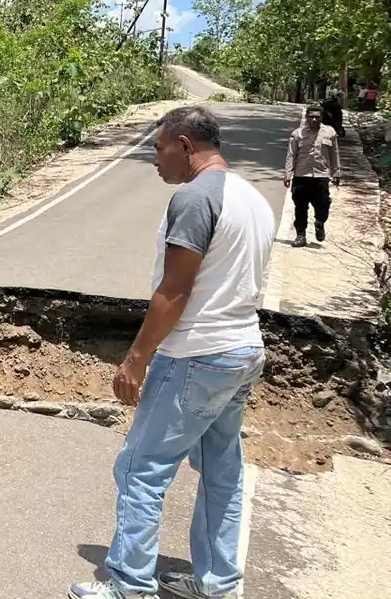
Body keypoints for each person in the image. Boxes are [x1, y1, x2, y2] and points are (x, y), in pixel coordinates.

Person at [69, 106, 275, 599]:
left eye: (158, 148)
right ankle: (218, 585)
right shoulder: (255, 198)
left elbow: (175, 290)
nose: (154, 160)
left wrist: (136, 358)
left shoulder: (195, 198)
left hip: (196, 355)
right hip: (242, 350)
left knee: (141, 469)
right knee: (222, 472)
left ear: (184, 145)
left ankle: (129, 585)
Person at [284, 104, 340, 248]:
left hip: (321, 176)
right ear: (306, 117)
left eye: (317, 116)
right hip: (301, 176)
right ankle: (300, 235)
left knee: (323, 205)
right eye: (311, 116)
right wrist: (288, 174)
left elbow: (334, 153)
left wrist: (336, 172)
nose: (314, 119)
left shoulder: (330, 132)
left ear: (322, 117)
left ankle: (319, 222)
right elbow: (291, 155)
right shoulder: (297, 134)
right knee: (300, 207)